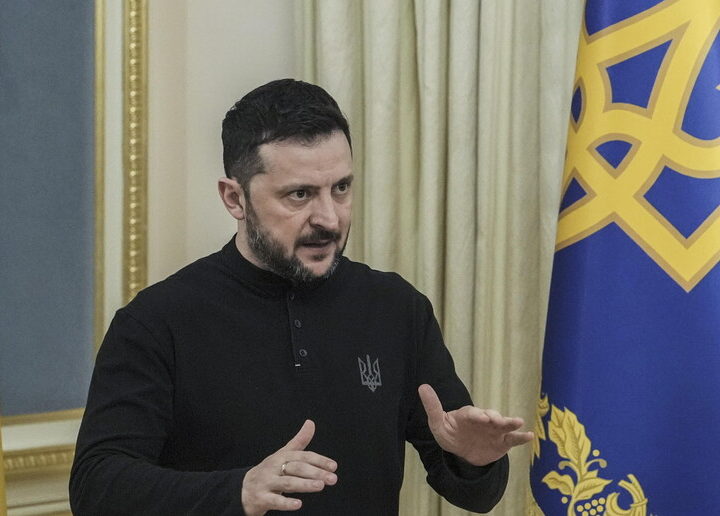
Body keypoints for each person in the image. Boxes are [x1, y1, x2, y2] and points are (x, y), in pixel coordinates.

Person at [70, 79, 533, 515]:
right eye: (299, 195)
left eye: (341, 188)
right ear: (235, 199)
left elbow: (475, 494)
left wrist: (474, 460)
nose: (329, 218)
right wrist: (237, 491)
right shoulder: (156, 321)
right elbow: (96, 486)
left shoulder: (396, 307)